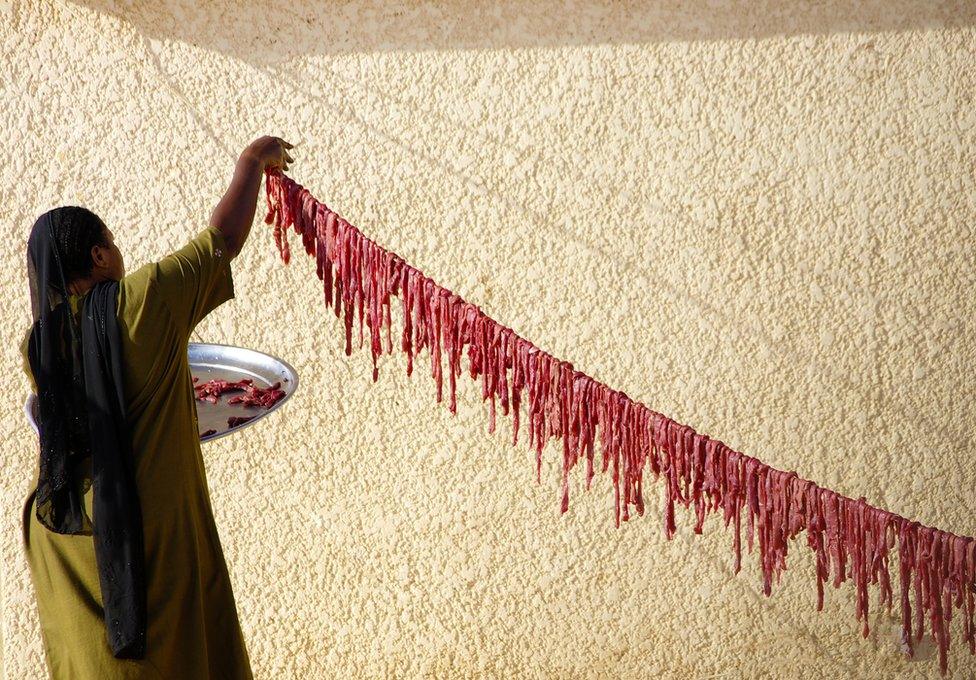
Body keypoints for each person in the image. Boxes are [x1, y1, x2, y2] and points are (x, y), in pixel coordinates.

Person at [19, 135, 295, 679]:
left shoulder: (41, 345)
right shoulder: (143, 303)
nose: (119, 254)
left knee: (89, 658)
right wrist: (251, 162)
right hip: (142, 532)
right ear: (99, 256)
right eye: (112, 244)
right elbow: (223, 239)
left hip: (63, 534)